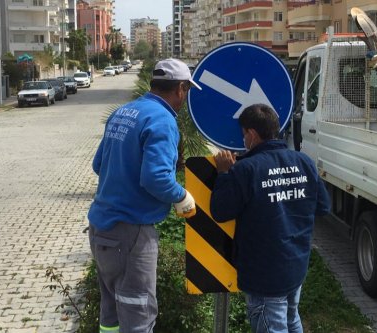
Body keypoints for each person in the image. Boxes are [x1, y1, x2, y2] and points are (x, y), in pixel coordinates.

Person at [87, 58, 200, 333]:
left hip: (100, 229)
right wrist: (182, 197)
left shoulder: (124, 112)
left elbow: (98, 164)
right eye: (187, 92)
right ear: (181, 89)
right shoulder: (162, 120)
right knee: (138, 314)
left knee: (111, 313)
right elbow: (156, 178)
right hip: (131, 235)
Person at [210, 103, 331, 333]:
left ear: (253, 134)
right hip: (296, 265)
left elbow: (221, 211)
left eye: (244, 134)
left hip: (264, 274)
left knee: (275, 325)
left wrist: (224, 174)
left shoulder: (245, 169)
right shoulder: (304, 162)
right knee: (291, 318)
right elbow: (323, 207)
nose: (243, 140)